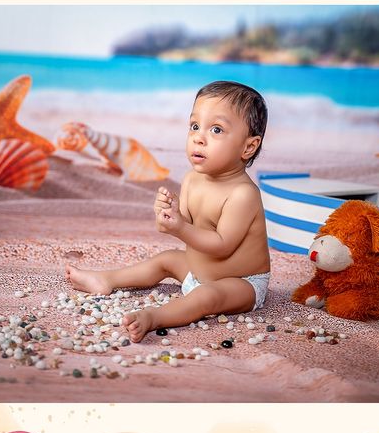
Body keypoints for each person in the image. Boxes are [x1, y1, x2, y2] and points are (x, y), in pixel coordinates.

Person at [66, 81, 271, 342]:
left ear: (248, 147)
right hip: (199, 272)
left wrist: (180, 227)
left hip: (242, 282)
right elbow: (184, 226)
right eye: (194, 126)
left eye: (216, 129)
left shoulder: (242, 194)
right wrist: (169, 217)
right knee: (166, 259)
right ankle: (107, 279)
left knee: (207, 297)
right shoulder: (191, 179)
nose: (198, 137)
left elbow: (222, 245)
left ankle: (154, 317)